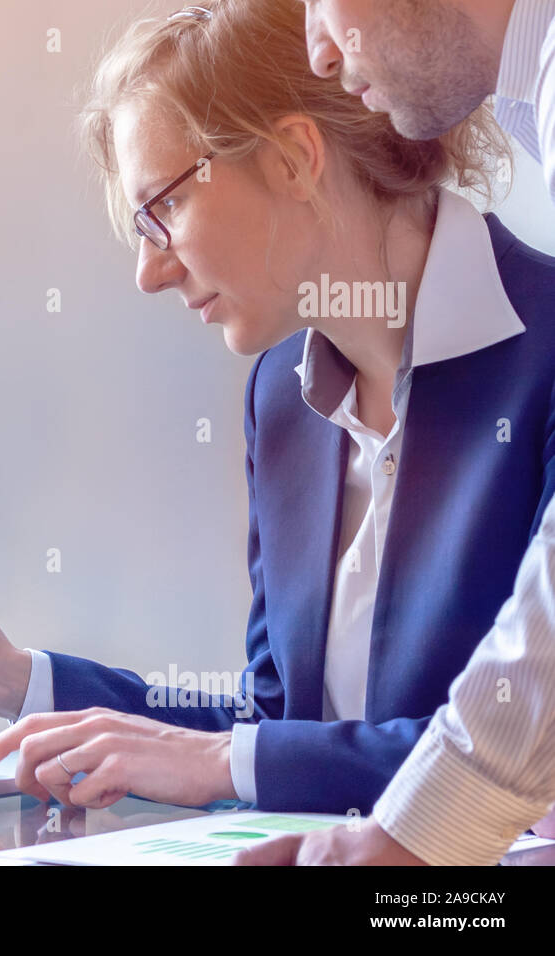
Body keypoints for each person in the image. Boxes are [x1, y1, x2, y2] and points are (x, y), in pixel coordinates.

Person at [0, 0, 555, 819]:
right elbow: (274, 736)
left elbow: (523, 752)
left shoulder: (546, 354)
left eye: (164, 210)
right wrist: (19, 679)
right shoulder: (283, 394)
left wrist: (229, 761)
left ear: (292, 158)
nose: (149, 272)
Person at [238, 0, 555, 866]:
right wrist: (22, 679)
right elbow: (272, 713)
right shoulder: (280, 390)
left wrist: (411, 851)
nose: (316, 47)